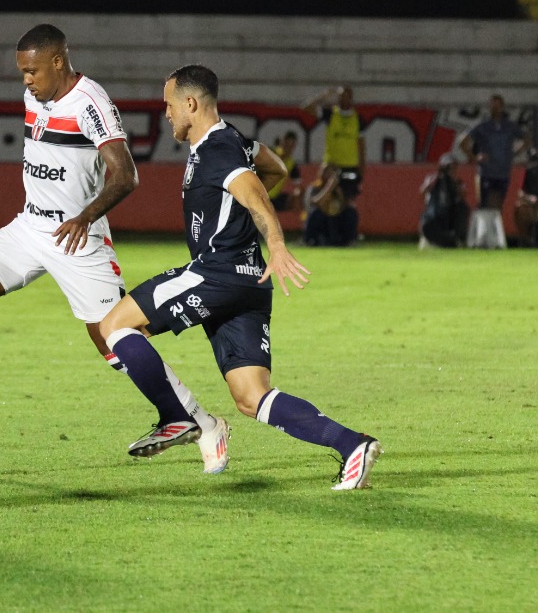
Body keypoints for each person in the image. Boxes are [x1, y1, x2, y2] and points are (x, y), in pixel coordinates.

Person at [98, 65, 381, 491]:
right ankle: (351, 445)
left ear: (191, 104)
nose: (166, 114)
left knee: (113, 326)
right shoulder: (235, 141)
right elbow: (275, 168)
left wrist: (278, 243)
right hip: (249, 283)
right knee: (252, 396)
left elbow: (253, 189)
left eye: (169, 106)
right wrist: (245, 222)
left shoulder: (216, 148)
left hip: (218, 272)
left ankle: (183, 418)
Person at [0, 23, 140, 461]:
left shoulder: (91, 103)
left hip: (77, 238)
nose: (25, 80)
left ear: (58, 62)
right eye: (21, 72)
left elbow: (126, 176)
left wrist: (85, 217)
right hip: (29, 229)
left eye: (32, 71)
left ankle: (197, 421)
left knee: (118, 344)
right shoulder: (35, 96)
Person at [303, 85, 365, 242]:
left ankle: (346, 238)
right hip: (331, 167)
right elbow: (306, 107)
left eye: (347, 96)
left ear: (352, 98)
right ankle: (321, 237)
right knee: (326, 203)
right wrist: (324, 95)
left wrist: (361, 171)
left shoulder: (358, 119)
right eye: (341, 96)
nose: (344, 99)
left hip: (350, 168)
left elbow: (361, 146)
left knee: (346, 203)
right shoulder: (331, 115)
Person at [459, 94, 529, 211]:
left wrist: (515, 152)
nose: (495, 109)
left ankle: (494, 227)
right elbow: (463, 142)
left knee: (498, 205)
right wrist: (474, 157)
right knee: (484, 204)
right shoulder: (483, 126)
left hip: (503, 172)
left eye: (498, 106)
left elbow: (527, 139)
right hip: (486, 172)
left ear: (503, 107)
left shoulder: (510, 126)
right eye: (493, 106)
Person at [419, 153, 470, 248]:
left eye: (454, 167)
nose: (452, 169)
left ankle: (456, 239)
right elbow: (422, 192)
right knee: (428, 223)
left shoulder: (458, 182)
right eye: (449, 167)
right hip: (434, 215)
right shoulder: (432, 179)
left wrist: (452, 182)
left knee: (462, 208)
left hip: (450, 216)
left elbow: (463, 194)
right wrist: (435, 180)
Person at [268, 131, 302, 212]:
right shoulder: (269, 152)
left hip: (274, 199)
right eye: (286, 144)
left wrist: (297, 193)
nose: (288, 148)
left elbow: (299, 186)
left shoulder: (292, 164)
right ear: (282, 143)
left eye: (291, 146)